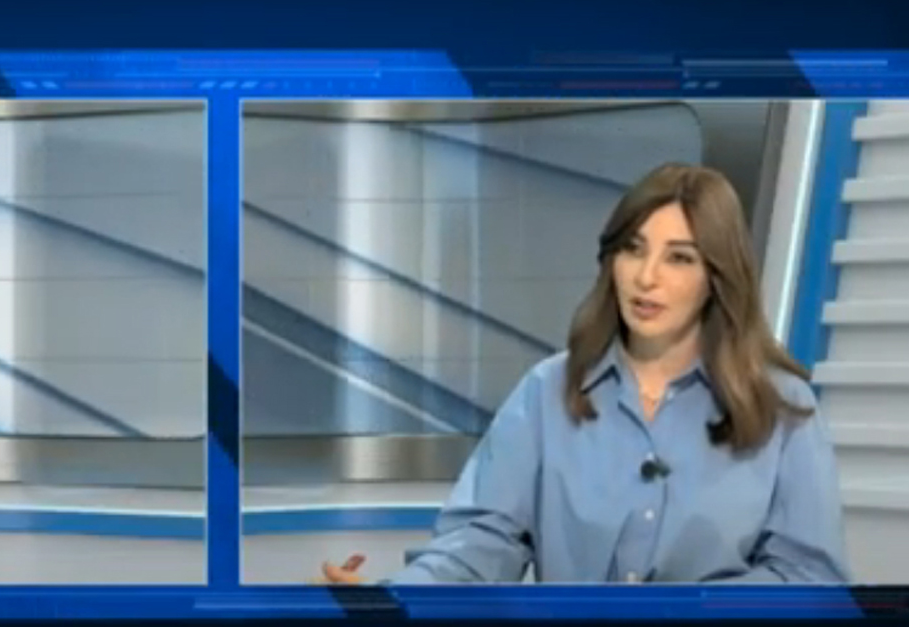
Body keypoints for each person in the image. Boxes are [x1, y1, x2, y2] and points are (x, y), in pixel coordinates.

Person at [320, 163, 850, 584]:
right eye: (633, 249)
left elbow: (809, 578)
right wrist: (397, 597)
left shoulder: (783, 407)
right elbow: (483, 541)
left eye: (679, 258)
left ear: (717, 276)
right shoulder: (547, 391)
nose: (647, 277)